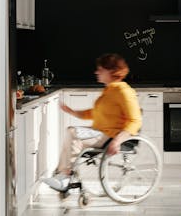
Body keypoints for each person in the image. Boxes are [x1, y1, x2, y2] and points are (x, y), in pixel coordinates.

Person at [42, 53, 142, 192]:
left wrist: (117, 141)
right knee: (71, 131)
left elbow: (135, 120)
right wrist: (71, 111)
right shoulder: (109, 90)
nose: (97, 72)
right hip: (100, 132)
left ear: (112, 71)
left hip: (109, 135)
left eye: (100, 69)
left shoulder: (124, 91)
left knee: (73, 135)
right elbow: (94, 113)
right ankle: (63, 174)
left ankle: (64, 176)